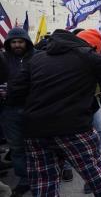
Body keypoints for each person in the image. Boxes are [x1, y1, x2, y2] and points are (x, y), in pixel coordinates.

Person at [8, 29, 101, 197]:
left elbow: (15, 91)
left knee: (44, 182)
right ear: (92, 47)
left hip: (35, 131)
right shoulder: (85, 56)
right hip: (73, 128)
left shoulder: (37, 58)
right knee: (95, 172)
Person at [0, 27, 35, 196]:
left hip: (33, 109)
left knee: (36, 145)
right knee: (16, 147)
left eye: (20, 41)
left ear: (26, 42)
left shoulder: (37, 57)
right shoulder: (2, 59)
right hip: (10, 110)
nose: (17, 45)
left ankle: (40, 175)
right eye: (13, 42)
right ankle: (25, 179)